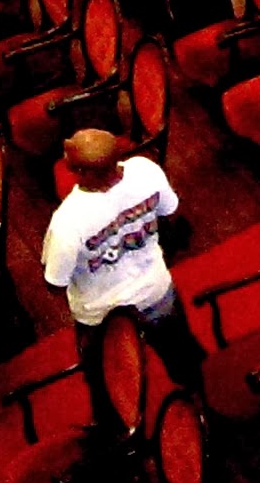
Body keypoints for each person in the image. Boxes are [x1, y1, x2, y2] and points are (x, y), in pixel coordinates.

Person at [40, 131, 204, 387]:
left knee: (112, 385)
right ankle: (198, 392)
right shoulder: (146, 171)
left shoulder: (67, 222)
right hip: (154, 290)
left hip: (101, 315)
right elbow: (170, 211)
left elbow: (55, 283)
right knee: (182, 355)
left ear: (81, 171)